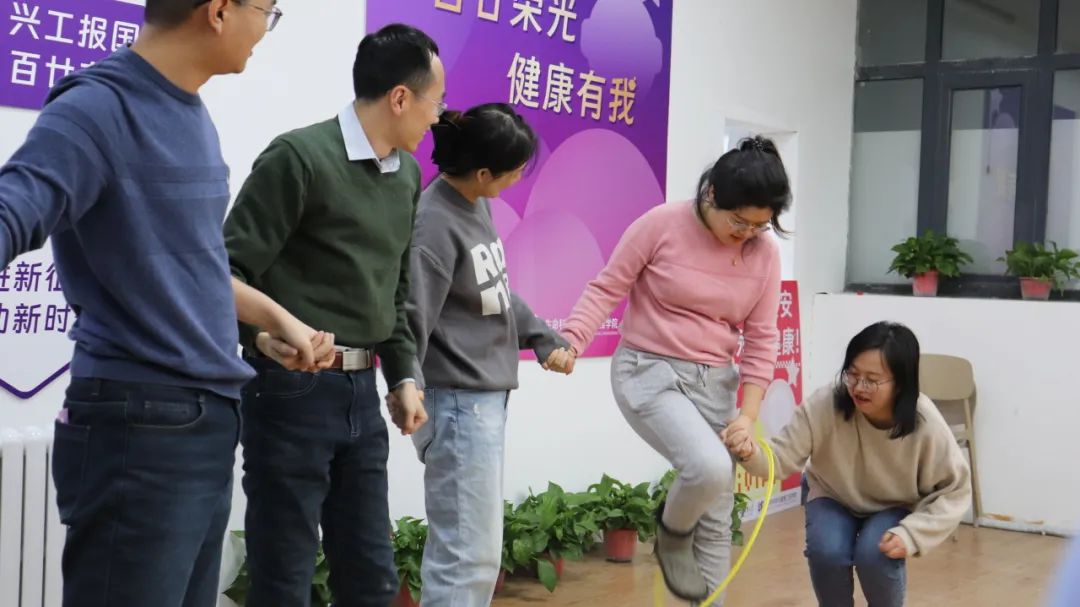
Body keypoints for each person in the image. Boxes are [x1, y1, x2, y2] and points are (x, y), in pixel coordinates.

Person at [0, 1, 316, 605]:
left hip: (203, 420)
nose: (266, 28)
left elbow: (191, 268)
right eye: (266, 11)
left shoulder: (190, 113)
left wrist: (272, 320)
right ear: (218, 11)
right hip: (140, 428)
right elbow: (14, 208)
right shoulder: (97, 108)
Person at [222, 23, 443, 606]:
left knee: (371, 576)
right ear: (401, 97)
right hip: (290, 389)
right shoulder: (299, 157)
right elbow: (225, 273)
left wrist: (403, 376)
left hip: (361, 396)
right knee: (284, 576)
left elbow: (395, 290)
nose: (437, 117)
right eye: (435, 102)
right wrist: (262, 337)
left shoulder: (408, 176)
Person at [546, 136, 791, 602]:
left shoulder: (765, 253)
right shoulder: (660, 224)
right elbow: (607, 287)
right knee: (708, 467)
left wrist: (746, 416)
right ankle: (671, 531)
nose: (747, 234)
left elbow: (762, 338)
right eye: (738, 222)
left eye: (760, 226)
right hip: (648, 371)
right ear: (712, 194)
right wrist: (573, 340)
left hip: (715, 382)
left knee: (716, 516)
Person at [399, 103, 573, 605]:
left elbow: (493, 291)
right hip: (456, 403)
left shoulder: (473, 203)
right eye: (515, 170)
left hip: (477, 402)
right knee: (465, 560)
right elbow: (412, 314)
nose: (519, 178)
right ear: (482, 173)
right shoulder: (434, 223)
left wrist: (541, 337)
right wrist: (406, 385)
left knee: (476, 557)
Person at [723, 321, 972, 607]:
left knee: (875, 554)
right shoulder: (825, 403)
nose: (859, 387)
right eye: (852, 374)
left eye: (872, 380)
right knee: (827, 551)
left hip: (894, 504)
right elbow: (780, 458)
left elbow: (955, 490)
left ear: (901, 383)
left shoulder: (924, 421)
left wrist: (913, 533)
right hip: (832, 494)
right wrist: (750, 452)